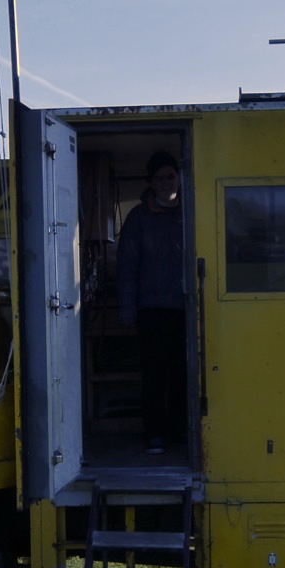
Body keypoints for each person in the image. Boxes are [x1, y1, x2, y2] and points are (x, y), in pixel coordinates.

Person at [116, 150, 186, 456]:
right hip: (152, 309)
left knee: (185, 372)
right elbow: (127, 265)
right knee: (155, 374)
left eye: (170, 175)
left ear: (178, 178)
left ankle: (181, 431)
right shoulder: (138, 218)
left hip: (188, 308)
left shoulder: (192, 210)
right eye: (159, 178)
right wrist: (127, 307)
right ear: (151, 182)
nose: (165, 182)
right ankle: (155, 434)